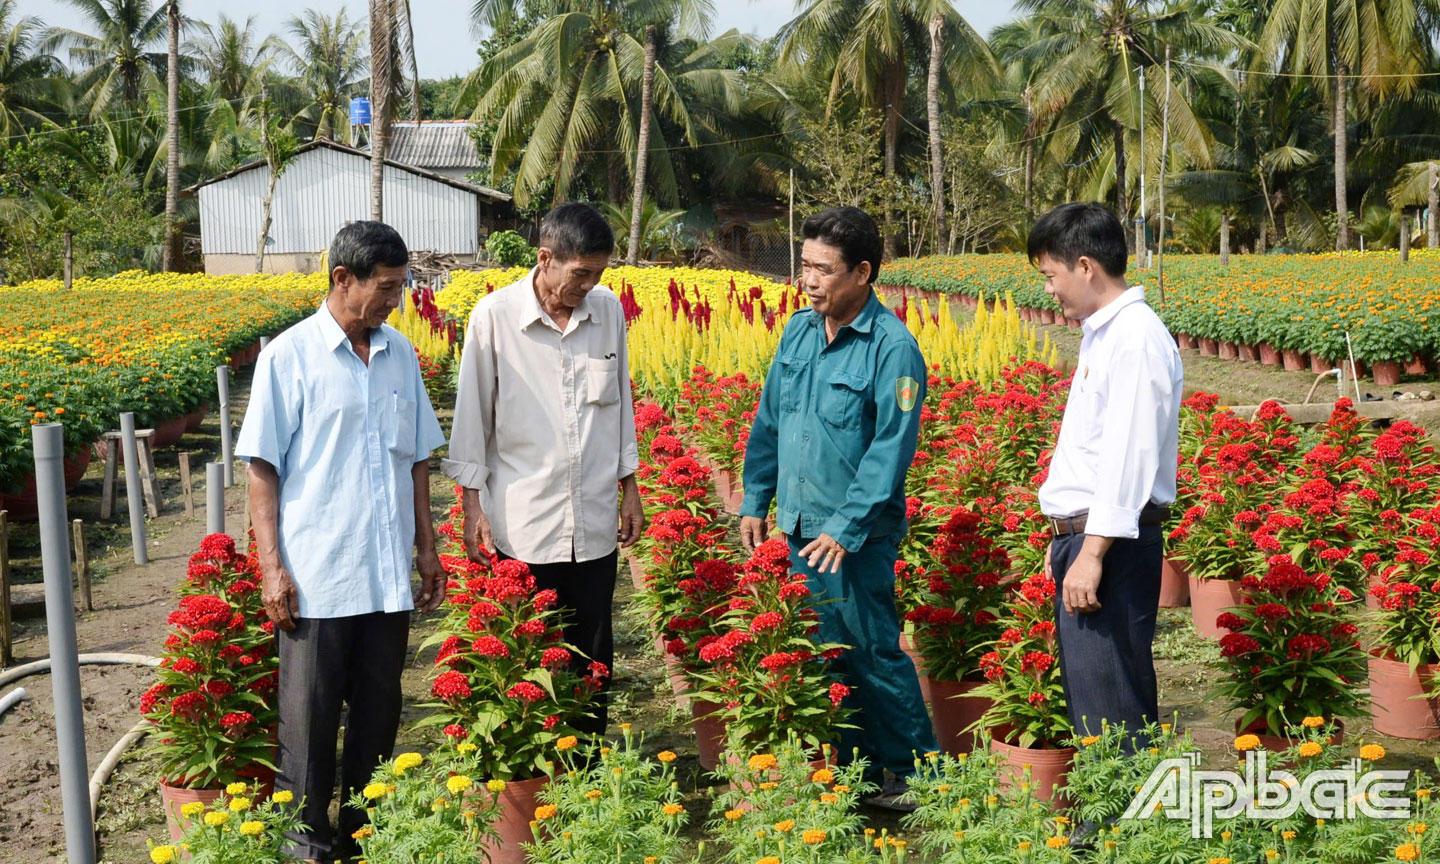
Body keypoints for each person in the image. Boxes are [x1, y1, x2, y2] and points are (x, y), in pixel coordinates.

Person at [236, 220, 448, 863]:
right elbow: (261, 470)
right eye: (386, 287)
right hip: (319, 575)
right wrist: (272, 568)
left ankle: (366, 837)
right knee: (307, 722)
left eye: (401, 287)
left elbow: (414, 458)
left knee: (380, 716)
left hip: (385, 576)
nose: (395, 300)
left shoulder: (400, 354)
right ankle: (305, 844)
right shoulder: (289, 356)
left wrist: (426, 546)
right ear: (342, 279)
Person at [739, 205, 936, 810]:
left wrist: (848, 528)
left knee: (872, 649)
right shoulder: (799, 330)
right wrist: (755, 496)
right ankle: (856, 774)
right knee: (828, 655)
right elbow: (772, 418)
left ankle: (916, 772)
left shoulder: (892, 348)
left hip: (855, 536)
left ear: (863, 273)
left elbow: (889, 451)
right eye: (805, 266)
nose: (809, 279)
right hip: (800, 523)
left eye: (824, 270)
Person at [443, 201, 644, 737]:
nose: (591, 284)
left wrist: (630, 488)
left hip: (595, 520)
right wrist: (472, 507)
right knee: (530, 656)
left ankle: (586, 771)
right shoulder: (495, 317)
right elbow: (471, 421)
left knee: (593, 656)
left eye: (599, 273)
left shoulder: (607, 313)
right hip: (523, 522)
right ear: (545, 258)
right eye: (581, 273)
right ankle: (535, 772)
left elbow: (620, 405)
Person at [1031, 202, 1183, 753]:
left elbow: (1128, 458)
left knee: (1112, 705)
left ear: (1086, 266)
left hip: (1112, 545)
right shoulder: (1106, 334)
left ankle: (1121, 832)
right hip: (1092, 538)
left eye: (1051, 275)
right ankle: (1111, 828)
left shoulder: (1135, 338)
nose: (1049, 290)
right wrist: (1065, 539)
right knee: (1095, 700)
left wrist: (1091, 552)